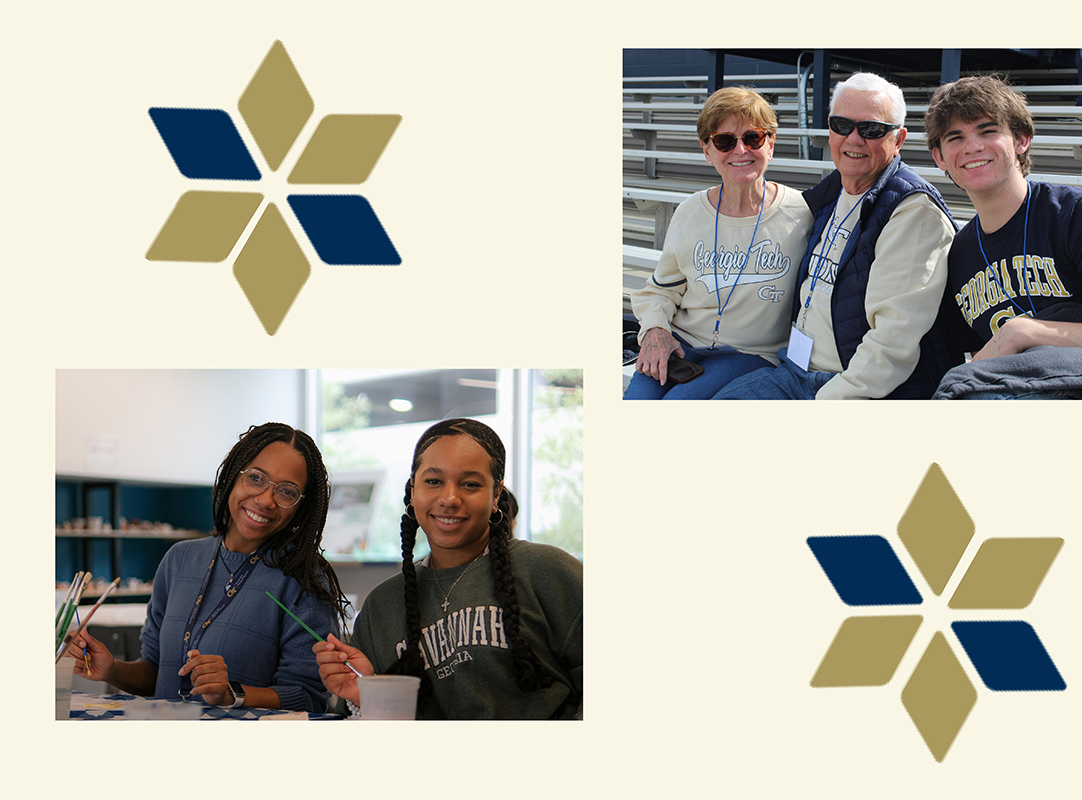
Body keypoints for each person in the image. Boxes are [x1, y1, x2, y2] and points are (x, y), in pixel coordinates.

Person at [65, 422, 348, 712]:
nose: (265, 500)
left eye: (287, 492)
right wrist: (112, 670)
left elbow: (308, 697)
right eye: (255, 478)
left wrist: (232, 694)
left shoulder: (302, 579)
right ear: (233, 476)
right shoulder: (179, 559)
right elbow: (156, 671)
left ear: (301, 506)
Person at [313, 418, 583, 719]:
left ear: (496, 496)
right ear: (413, 489)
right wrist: (367, 694)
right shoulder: (382, 606)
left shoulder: (547, 571)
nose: (450, 499)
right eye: (433, 481)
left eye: (470, 484)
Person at [714, 72, 959, 399]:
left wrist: (831, 401)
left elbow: (892, 343)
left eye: (871, 130)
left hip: (849, 385)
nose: (853, 139)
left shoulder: (913, 212)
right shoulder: (827, 197)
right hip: (795, 370)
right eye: (842, 125)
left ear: (898, 140)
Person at [923, 75, 1082, 399]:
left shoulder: (1080, 213)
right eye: (955, 137)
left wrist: (1024, 332)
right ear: (940, 158)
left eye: (987, 130)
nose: (972, 146)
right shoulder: (960, 254)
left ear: (1021, 140)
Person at [625, 86, 812, 399]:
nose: (740, 150)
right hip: (679, 346)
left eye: (753, 138)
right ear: (707, 150)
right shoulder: (689, 211)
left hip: (748, 355)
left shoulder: (802, 214)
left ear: (771, 144)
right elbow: (661, 289)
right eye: (725, 141)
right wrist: (655, 329)